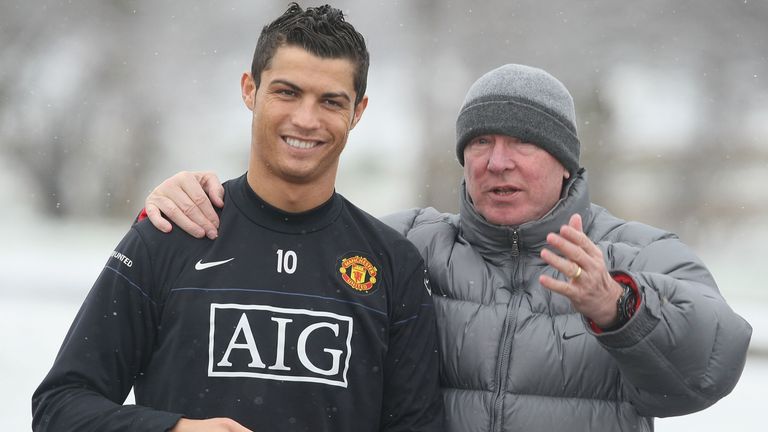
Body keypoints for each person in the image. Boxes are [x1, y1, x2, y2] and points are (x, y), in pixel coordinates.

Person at [146, 62, 753, 431]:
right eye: (481, 141)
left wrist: (620, 310)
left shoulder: (632, 255)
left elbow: (709, 367)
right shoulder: (405, 244)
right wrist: (202, 197)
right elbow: (286, 257)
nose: (497, 161)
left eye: (522, 142)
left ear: (566, 163)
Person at [31, 4, 444, 432]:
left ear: (357, 111)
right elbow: (59, 407)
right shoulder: (172, 232)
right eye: (287, 92)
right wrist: (176, 429)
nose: (305, 119)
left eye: (331, 101)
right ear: (250, 90)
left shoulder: (392, 264)